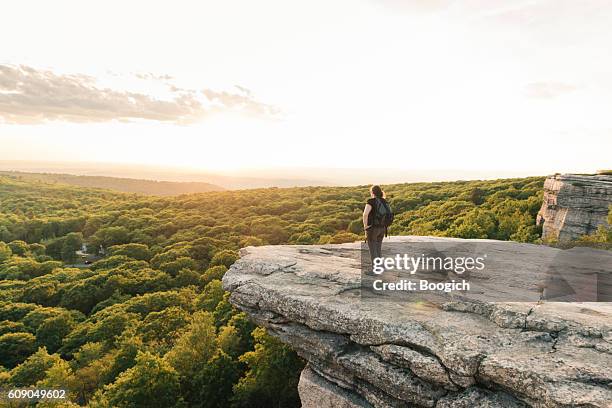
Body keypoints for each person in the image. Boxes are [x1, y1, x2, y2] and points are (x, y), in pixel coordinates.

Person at [363, 185, 391, 263]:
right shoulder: (384, 201)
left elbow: (365, 215)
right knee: (378, 248)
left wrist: (365, 227)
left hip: (372, 228)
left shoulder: (371, 201)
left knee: (373, 250)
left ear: (372, 192)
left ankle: (375, 270)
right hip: (382, 228)